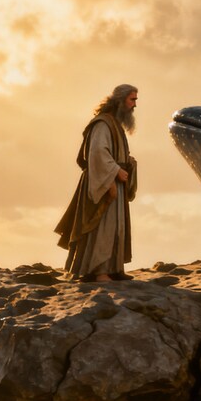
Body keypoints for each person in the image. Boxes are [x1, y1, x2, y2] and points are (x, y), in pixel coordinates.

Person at [55, 84, 138, 282]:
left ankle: (114, 268)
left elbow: (113, 153)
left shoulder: (115, 124)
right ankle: (99, 271)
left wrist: (128, 163)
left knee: (117, 227)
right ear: (120, 100)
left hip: (116, 181)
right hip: (104, 183)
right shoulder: (102, 124)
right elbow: (98, 152)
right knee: (104, 227)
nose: (135, 105)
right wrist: (115, 172)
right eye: (132, 100)